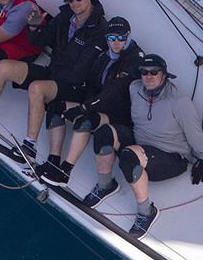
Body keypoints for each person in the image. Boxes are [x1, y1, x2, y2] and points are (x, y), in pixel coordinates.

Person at [0, 0, 107, 171]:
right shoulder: (65, 16)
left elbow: (82, 70)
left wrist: (53, 79)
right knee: (3, 67)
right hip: (53, 74)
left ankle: (29, 147)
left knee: (37, 88)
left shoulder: (100, 29)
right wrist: (34, 26)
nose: (74, 3)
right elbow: (39, 42)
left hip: (74, 86)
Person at [111, 54, 203, 239]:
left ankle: (146, 212)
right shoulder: (134, 88)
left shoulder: (179, 102)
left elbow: (193, 132)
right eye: (144, 72)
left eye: (154, 72)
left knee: (128, 156)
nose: (148, 76)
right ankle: (105, 185)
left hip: (170, 158)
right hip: (142, 146)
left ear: (164, 75)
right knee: (105, 134)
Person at [38, 16, 144, 187]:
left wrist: (85, 108)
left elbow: (115, 91)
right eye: (111, 38)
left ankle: (65, 171)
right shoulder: (104, 56)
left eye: (121, 38)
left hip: (120, 113)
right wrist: (85, 104)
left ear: (128, 36)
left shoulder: (134, 58)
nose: (116, 42)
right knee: (56, 106)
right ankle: (53, 160)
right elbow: (92, 84)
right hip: (99, 104)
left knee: (85, 121)